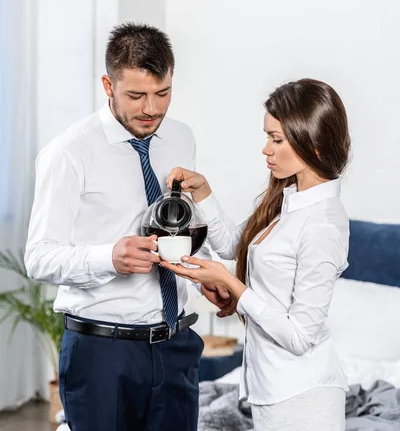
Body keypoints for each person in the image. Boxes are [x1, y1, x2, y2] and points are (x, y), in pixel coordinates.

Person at [24, 22, 230, 431]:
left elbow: (178, 221)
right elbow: (38, 257)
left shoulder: (180, 137)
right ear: (108, 84)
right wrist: (109, 258)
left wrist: (201, 270)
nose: (150, 108)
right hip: (102, 353)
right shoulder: (69, 153)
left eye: (162, 93)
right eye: (136, 95)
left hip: (175, 346)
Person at [163, 78, 351, 431]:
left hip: (303, 398)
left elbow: (299, 337)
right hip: (273, 390)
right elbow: (238, 246)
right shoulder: (288, 201)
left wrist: (230, 284)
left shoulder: (322, 224)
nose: (266, 149)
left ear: (314, 144)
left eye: (277, 139)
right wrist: (203, 193)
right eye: (267, 136)